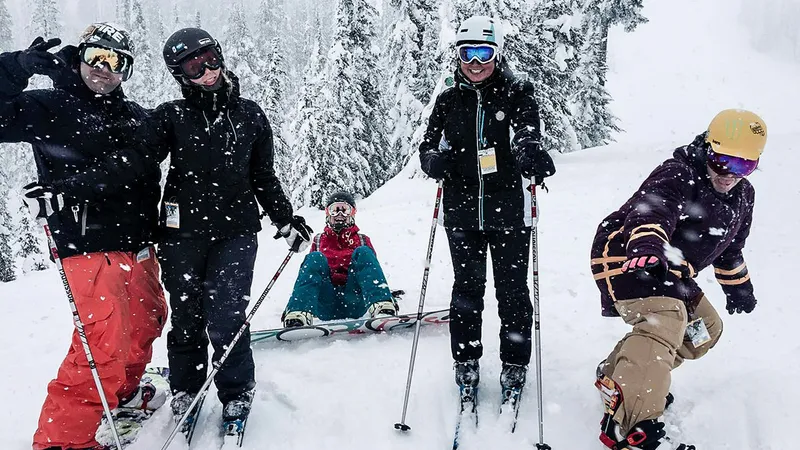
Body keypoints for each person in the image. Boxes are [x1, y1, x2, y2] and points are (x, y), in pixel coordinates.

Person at [59, 27, 312, 430]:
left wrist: (285, 218)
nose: (208, 71)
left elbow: (263, 175)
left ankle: (236, 389)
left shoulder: (249, 114)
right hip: (181, 234)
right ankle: (186, 388)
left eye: (211, 58)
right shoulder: (171, 116)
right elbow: (132, 162)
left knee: (227, 315)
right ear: (180, 75)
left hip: (236, 232)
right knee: (187, 314)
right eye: (195, 66)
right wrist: (68, 189)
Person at [0, 23, 169, 450]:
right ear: (80, 58)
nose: (104, 69)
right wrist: (15, 68)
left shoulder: (133, 116)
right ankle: (65, 441)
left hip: (138, 246)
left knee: (147, 322)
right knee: (101, 344)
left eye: (116, 62)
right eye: (97, 56)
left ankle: (120, 394)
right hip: (87, 246)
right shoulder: (50, 106)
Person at [590, 109, 766, 450]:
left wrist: (739, 288)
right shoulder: (679, 172)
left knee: (705, 331)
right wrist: (647, 245)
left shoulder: (744, 196)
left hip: (674, 271)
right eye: (722, 161)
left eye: (744, 166)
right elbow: (652, 210)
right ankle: (633, 426)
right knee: (667, 320)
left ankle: (621, 376)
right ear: (707, 147)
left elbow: (731, 250)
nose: (730, 174)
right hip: (628, 255)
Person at [417, 15, 555, 399]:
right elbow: (427, 145)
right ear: (457, 56)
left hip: (509, 211)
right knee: (467, 290)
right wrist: (432, 161)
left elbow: (527, 132)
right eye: (467, 52)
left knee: (512, 290)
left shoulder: (517, 93)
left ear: (497, 53)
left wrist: (530, 154)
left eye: (483, 52)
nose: (475, 62)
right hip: (461, 213)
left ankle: (514, 363)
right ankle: (466, 360)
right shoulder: (448, 100)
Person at [282, 191, 397, 328]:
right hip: (325, 303)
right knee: (314, 258)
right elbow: (310, 277)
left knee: (363, 252)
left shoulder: (362, 240)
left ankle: (382, 306)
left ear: (352, 213)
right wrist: (294, 303)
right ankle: (298, 313)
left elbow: (371, 272)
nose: (339, 215)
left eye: (345, 210)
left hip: (355, 301)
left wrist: (384, 294)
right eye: (335, 210)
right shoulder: (319, 240)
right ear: (327, 213)